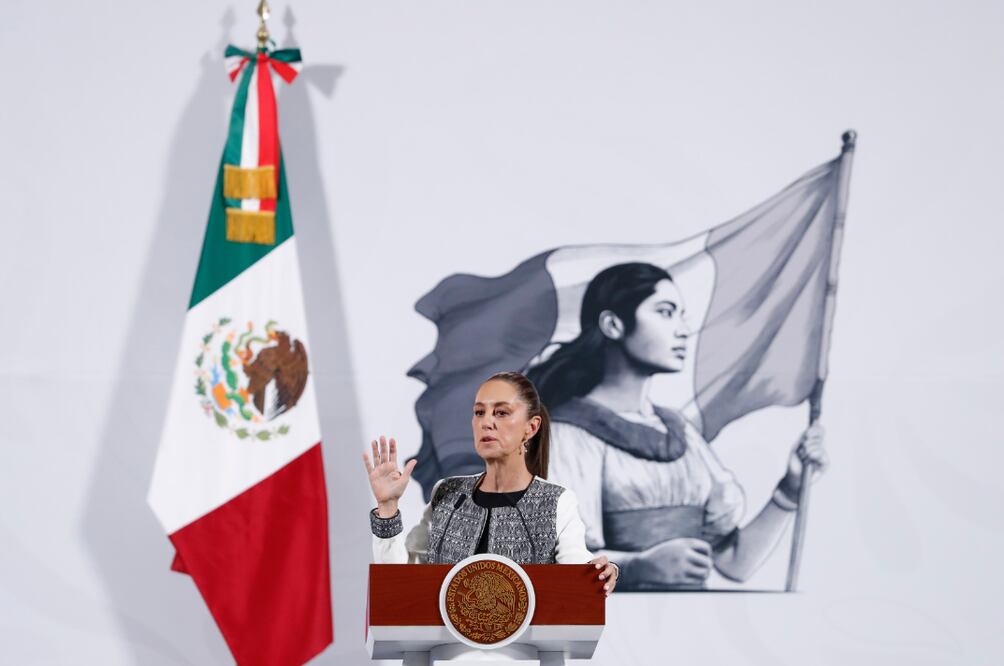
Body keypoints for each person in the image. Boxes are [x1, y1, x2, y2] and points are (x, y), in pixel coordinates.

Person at [527, 263, 828, 590]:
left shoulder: (679, 431)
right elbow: (555, 569)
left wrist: (790, 489)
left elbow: (734, 562)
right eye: (666, 312)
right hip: (615, 631)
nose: (683, 329)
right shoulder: (569, 435)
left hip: (687, 628)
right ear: (613, 325)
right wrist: (637, 568)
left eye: (681, 314)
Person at [363, 371, 619, 595]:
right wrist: (387, 508)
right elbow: (401, 578)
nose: (487, 422)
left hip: (525, 651)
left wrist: (602, 573)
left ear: (531, 428)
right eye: (479, 412)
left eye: (501, 412)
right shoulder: (447, 494)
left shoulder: (556, 502)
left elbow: (575, 574)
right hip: (446, 650)